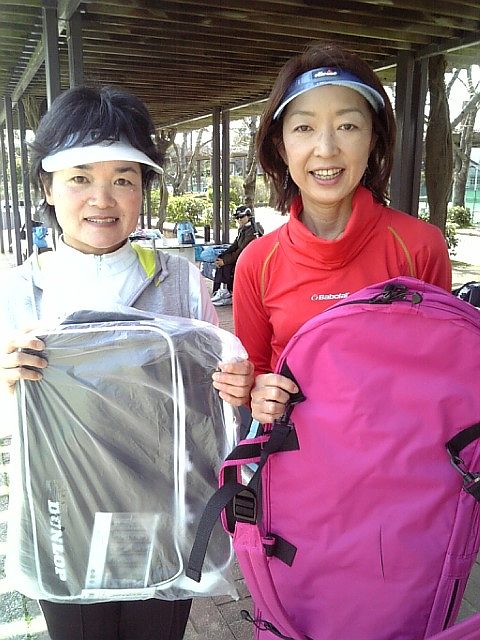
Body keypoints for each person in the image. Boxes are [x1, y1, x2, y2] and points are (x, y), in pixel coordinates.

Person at [0, 86, 253, 640]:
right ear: (47, 186)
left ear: (142, 189)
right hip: (60, 520)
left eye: (123, 179)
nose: (102, 199)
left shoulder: (180, 282)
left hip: (164, 516)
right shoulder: (18, 293)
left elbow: (212, 411)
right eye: (80, 178)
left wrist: (234, 388)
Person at [232, 42, 452, 425]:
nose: (326, 149)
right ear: (281, 146)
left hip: (400, 458)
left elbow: (444, 371)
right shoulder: (257, 262)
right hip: (294, 458)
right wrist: (253, 393)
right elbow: (255, 374)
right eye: (304, 127)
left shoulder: (420, 247)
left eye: (347, 126)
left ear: (373, 139)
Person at [211, 205, 262, 307]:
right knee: (222, 260)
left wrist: (225, 261)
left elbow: (242, 250)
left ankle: (227, 293)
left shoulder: (253, 231)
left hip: (249, 259)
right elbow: (235, 245)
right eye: (237, 217)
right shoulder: (243, 229)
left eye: (241, 217)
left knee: (226, 265)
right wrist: (222, 256)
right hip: (242, 256)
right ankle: (222, 290)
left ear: (248, 216)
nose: (239, 219)